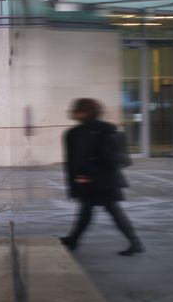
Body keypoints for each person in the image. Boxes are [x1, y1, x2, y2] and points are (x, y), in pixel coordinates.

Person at [59, 98, 144, 256]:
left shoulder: (79, 133)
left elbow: (79, 159)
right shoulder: (107, 129)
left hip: (94, 181)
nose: (71, 112)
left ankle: (135, 243)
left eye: (76, 109)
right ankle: (73, 239)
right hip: (106, 179)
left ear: (84, 113)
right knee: (92, 211)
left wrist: (81, 177)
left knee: (100, 211)